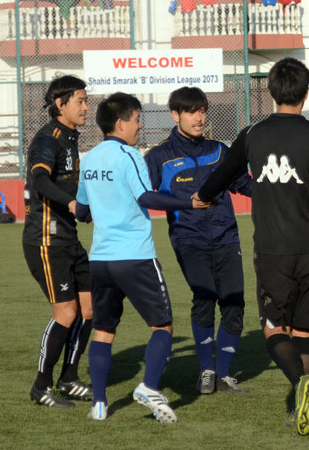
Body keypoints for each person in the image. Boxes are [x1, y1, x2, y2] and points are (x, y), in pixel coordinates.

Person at [195, 57, 309, 436]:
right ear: (306, 91)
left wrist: (203, 195)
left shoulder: (253, 133)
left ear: (271, 91)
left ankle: (300, 383)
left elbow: (225, 171)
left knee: (272, 328)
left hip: (271, 249)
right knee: (304, 329)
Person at [75, 92, 209, 422]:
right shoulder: (129, 155)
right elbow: (147, 196)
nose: (139, 125)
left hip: (101, 260)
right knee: (162, 326)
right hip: (134, 257)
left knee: (104, 331)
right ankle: (148, 386)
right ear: (120, 123)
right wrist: (188, 203)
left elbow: (81, 210)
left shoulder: (88, 158)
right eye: (136, 119)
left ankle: (100, 405)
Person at [144, 87, 253, 395]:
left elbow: (243, 183)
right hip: (188, 240)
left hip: (227, 237)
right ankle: (205, 370)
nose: (199, 117)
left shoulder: (220, 150)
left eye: (203, 111)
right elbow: (144, 195)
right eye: (192, 112)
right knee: (205, 299)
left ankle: (223, 374)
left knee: (234, 302)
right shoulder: (159, 157)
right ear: (175, 115)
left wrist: (275, 193)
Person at [22, 75, 94, 407]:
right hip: (46, 240)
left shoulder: (71, 137)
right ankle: (41, 386)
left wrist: (86, 208)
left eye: (85, 99)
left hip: (69, 238)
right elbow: (39, 179)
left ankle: (69, 378)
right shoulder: (47, 139)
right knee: (65, 313)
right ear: (60, 104)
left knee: (89, 309)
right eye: (79, 100)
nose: (85, 106)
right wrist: (70, 204)